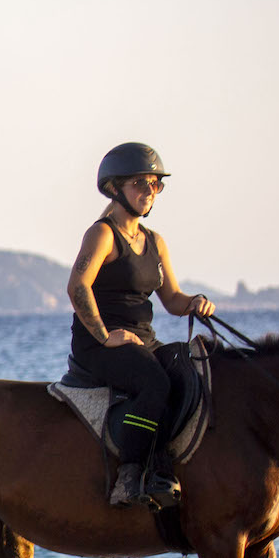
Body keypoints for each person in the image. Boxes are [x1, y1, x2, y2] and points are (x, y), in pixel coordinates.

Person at [66, 142, 215, 508]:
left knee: (189, 369)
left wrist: (194, 303)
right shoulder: (102, 234)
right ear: (115, 188)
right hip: (100, 344)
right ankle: (130, 473)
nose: (150, 192)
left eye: (155, 185)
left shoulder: (155, 242)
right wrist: (104, 335)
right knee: (155, 381)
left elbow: (172, 299)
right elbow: (77, 286)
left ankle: (165, 466)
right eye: (141, 184)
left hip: (142, 341)